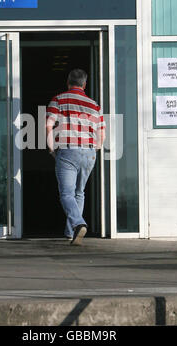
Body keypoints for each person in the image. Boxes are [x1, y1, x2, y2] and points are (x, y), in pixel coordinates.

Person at [46, 69, 105, 245]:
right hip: (89, 152)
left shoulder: (59, 100)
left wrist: (51, 148)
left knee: (66, 194)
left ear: (68, 81)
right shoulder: (94, 105)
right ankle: (71, 233)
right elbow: (102, 132)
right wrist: (96, 149)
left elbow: (49, 125)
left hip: (68, 150)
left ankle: (78, 223)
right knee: (80, 193)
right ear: (84, 84)